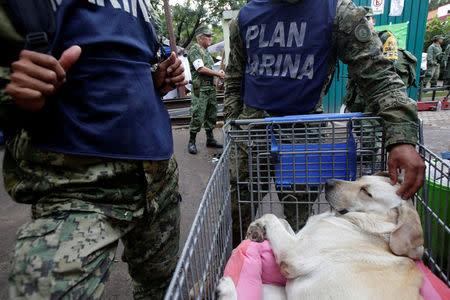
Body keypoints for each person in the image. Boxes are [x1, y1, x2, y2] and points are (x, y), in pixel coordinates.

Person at [1, 1, 187, 299]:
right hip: (77, 191)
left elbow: (128, 64)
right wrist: (13, 91)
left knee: (163, 288)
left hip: (159, 181)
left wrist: (155, 77)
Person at [224, 0, 425, 246]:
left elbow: (377, 73)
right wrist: (232, 127)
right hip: (251, 133)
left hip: (303, 135)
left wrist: (401, 136)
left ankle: (294, 272)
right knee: (235, 215)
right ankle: (238, 267)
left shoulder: (337, 12)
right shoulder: (246, 16)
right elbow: (235, 76)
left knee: (300, 223)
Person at [187, 26, 226, 154]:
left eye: (210, 36)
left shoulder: (206, 51)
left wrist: (218, 73)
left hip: (210, 88)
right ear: (200, 38)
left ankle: (210, 139)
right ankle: (191, 141)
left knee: (211, 115)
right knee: (198, 114)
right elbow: (200, 69)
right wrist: (218, 74)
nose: (210, 38)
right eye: (207, 36)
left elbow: (209, 70)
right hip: (201, 89)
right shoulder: (195, 50)